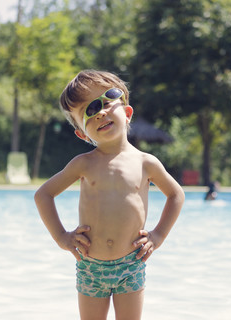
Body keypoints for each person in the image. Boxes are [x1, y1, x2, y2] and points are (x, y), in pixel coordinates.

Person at [34, 70, 185, 320]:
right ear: (83, 134)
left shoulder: (147, 163)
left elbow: (176, 195)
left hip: (131, 265)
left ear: (127, 113)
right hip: (90, 266)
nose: (101, 112)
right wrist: (62, 236)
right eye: (89, 111)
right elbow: (44, 195)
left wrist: (158, 235)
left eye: (106, 101)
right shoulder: (82, 164)